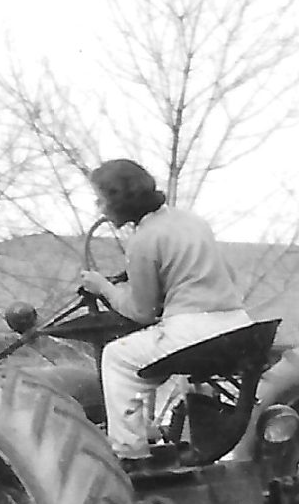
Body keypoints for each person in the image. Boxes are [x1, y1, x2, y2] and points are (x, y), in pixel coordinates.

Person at [77, 158, 252, 460]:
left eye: (102, 199)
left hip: (195, 331)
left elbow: (142, 312)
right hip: (238, 324)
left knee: (117, 357)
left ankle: (129, 453)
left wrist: (103, 287)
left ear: (120, 201)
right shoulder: (193, 221)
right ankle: (156, 432)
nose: (99, 206)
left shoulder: (144, 239)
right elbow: (225, 277)